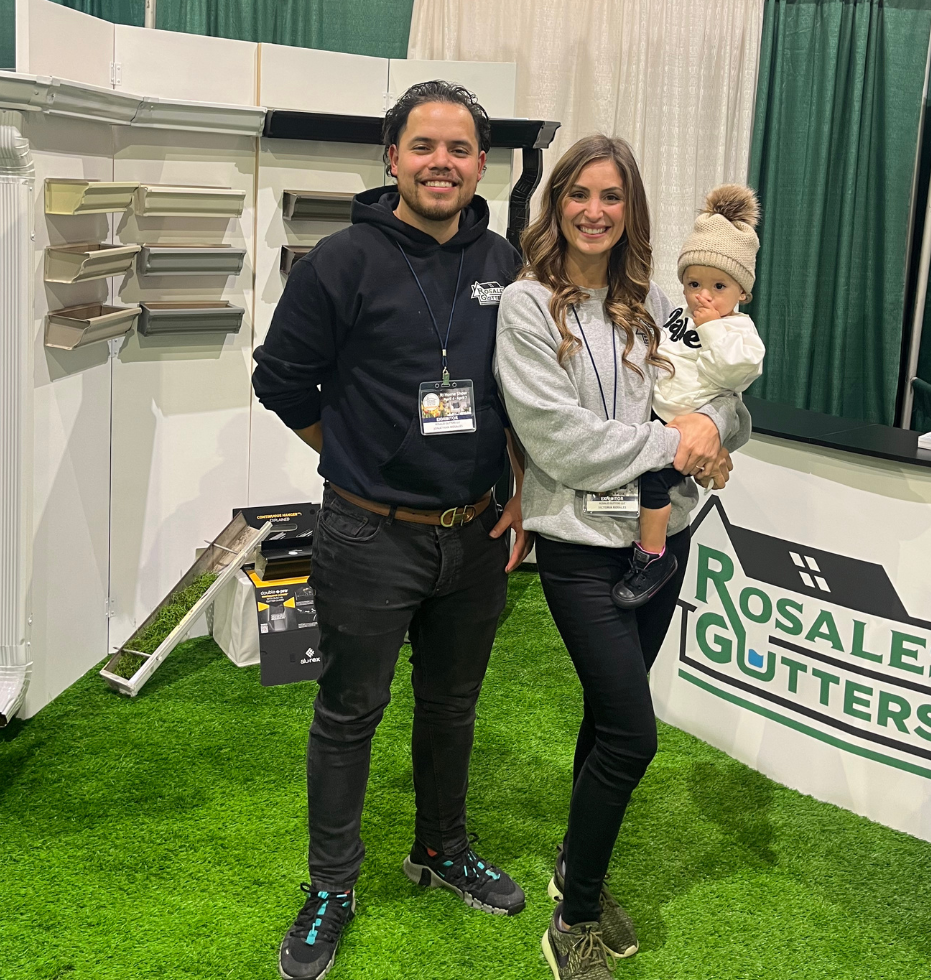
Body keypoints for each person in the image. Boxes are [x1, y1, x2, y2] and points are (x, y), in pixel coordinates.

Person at [252, 80, 531, 980]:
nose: (441, 163)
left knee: (452, 707)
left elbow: (522, 396)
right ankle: (332, 884)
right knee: (349, 713)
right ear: (392, 157)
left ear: (481, 164)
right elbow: (281, 381)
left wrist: (517, 490)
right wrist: (356, 458)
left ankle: (441, 847)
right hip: (370, 535)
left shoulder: (506, 263)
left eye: (458, 149)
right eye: (424, 146)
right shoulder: (341, 260)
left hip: (478, 535)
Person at [494, 134, 751, 980]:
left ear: (630, 211)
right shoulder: (530, 306)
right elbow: (560, 442)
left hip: (662, 542)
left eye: (613, 197)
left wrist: (715, 430)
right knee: (635, 737)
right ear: (556, 203)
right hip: (580, 550)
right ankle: (573, 920)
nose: (595, 212)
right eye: (580, 195)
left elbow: (716, 400)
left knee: (608, 723)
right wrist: (674, 443)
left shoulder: (651, 307)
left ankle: (578, 862)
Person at [611, 183, 765, 608]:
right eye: (694, 283)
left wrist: (713, 327)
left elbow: (736, 374)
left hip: (684, 425)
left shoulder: (737, 331)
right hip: (660, 418)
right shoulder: (677, 315)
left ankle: (652, 556)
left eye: (719, 287)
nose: (704, 296)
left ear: (743, 293)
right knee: (642, 477)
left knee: (652, 485)